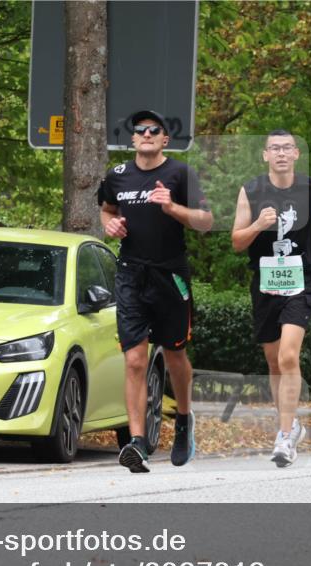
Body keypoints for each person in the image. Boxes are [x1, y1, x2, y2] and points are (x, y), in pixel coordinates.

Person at [98, 110, 213, 473]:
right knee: (134, 360)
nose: (146, 134)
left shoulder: (179, 173)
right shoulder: (117, 176)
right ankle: (137, 443)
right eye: (140, 130)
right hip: (131, 275)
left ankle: (182, 420)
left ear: (165, 139)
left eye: (154, 130)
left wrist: (172, 207)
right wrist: (110, 225)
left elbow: (206, 222)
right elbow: (105, 210)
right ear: (133, 140)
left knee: (175, 356)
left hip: (170, 275)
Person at [231, 130, 311, 467]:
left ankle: (283, 440)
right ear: (265, 155)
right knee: (273, 361)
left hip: (301, 279)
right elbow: (237, 241)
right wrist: (257, 226)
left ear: (296, 154)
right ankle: (291, 425)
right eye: (274, 148)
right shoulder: (251, 190)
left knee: (289, 355)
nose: (281, 153)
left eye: (287, 148)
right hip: (266, 282)